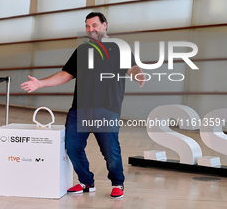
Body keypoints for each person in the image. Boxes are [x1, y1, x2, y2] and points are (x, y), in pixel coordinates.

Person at [21, 12, 144, 198]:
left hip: (107, 109)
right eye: (87, 26)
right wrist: (40, 83)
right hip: (79, 109)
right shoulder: (82, 50)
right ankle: (86, 182)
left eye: (94, 25)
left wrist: (138, 74)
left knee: (110, 151)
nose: (90, 30)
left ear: (105, 25)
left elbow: (132, 67)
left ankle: (118, 183)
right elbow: (66, 74)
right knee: (72, 148)